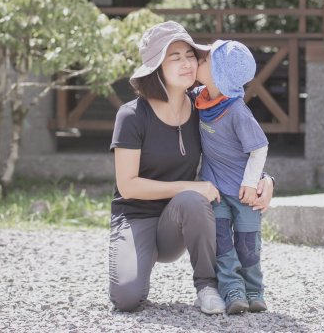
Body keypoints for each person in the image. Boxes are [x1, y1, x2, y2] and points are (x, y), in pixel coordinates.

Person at [108, 21, 274, 315]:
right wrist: (191, 185)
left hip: (183, 218)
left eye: (190, 55)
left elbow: (238, 150)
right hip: (136, 217)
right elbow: (128, 185)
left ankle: (207, 286)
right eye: (175, 57)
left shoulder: (203, 108)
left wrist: (264, 180)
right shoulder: (131, 115)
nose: (187, 63)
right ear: (157, 66)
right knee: (127, 299)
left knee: (193, 200)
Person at [195, 40, 269, 315]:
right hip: (215, 189)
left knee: (248, 243)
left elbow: (259, 147)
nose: (197, 60)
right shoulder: (200, 99)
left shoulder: (236, 110)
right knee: (222, 243)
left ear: (217, 73)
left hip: (243, 191)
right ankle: (233, 290)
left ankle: (254, 290)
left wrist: (253, 182)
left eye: (204, 60)